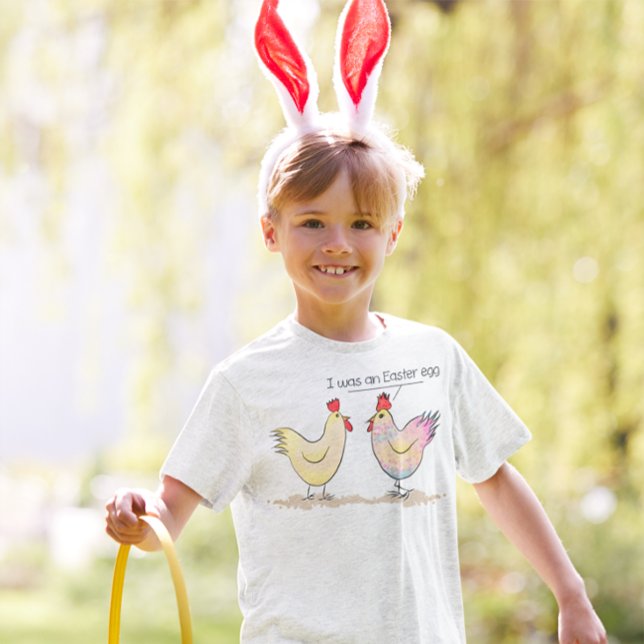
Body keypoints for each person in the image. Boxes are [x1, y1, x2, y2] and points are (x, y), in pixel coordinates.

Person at [105, 1, 607, 642]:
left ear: (393, 233)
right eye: (312, 222)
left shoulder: (434, 357)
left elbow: (497, 480)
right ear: (271, 232)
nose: (337, 243)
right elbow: (169, 516)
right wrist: (139, 518)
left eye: (362, 223)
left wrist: (571, 593)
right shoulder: (244, 382)